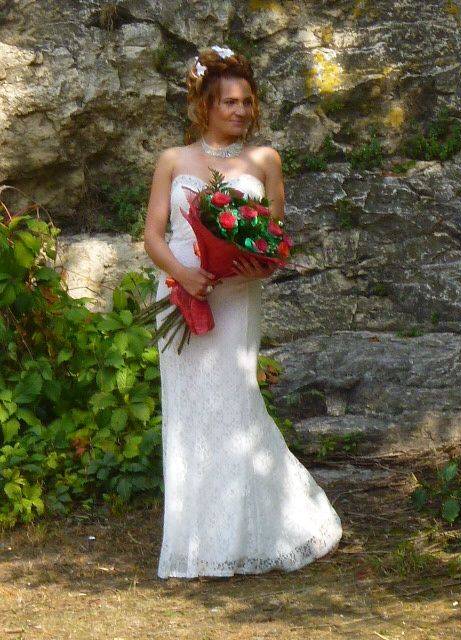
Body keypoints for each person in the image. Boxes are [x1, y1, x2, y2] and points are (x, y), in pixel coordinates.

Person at [144, 44, 343, 580]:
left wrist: (260, 265)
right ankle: (195, 542)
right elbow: (153, 235)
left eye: (247, 101)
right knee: (189, 411)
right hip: (181, 289)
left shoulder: (265, 161)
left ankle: (253, 532)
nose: (240, 110)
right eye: (229, 102)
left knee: (235, 402)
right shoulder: (172, 161)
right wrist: (184, 274)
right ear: (205, 105)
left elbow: (272, 239)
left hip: (235, 295)